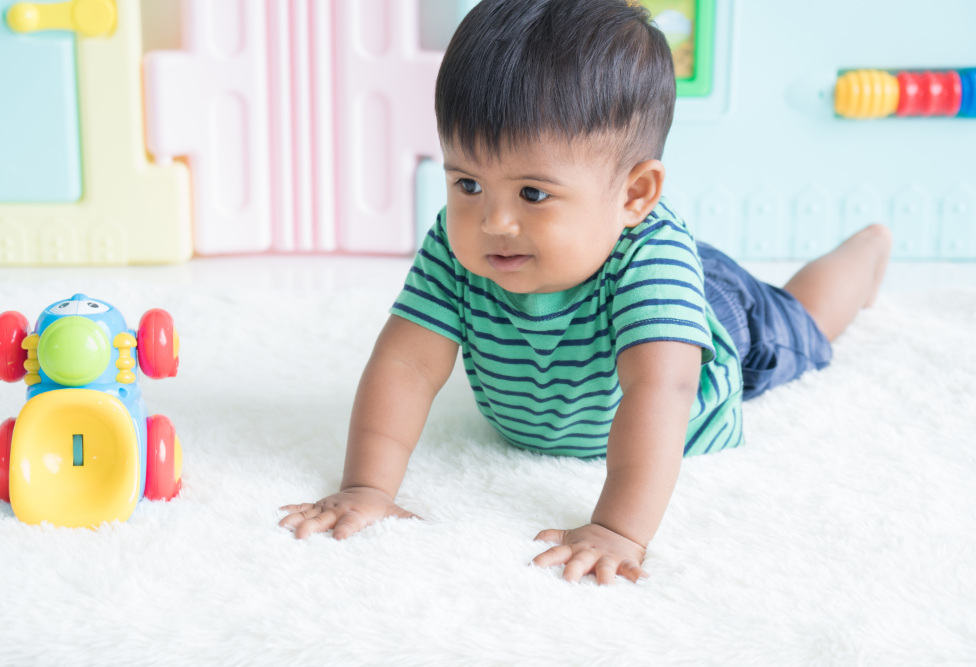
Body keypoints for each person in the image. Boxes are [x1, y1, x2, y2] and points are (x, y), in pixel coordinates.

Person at [279, 0, 892, 584]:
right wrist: (367, 487)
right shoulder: (460, 244)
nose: (494, 221)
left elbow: (661, 387)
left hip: (722, 317)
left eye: (533, 194)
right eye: (467, 182)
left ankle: (864, 253)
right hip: (602, 271)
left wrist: (617, 530)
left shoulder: (653, 262)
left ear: (633, 195)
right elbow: (407, 362)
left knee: (804, 319)